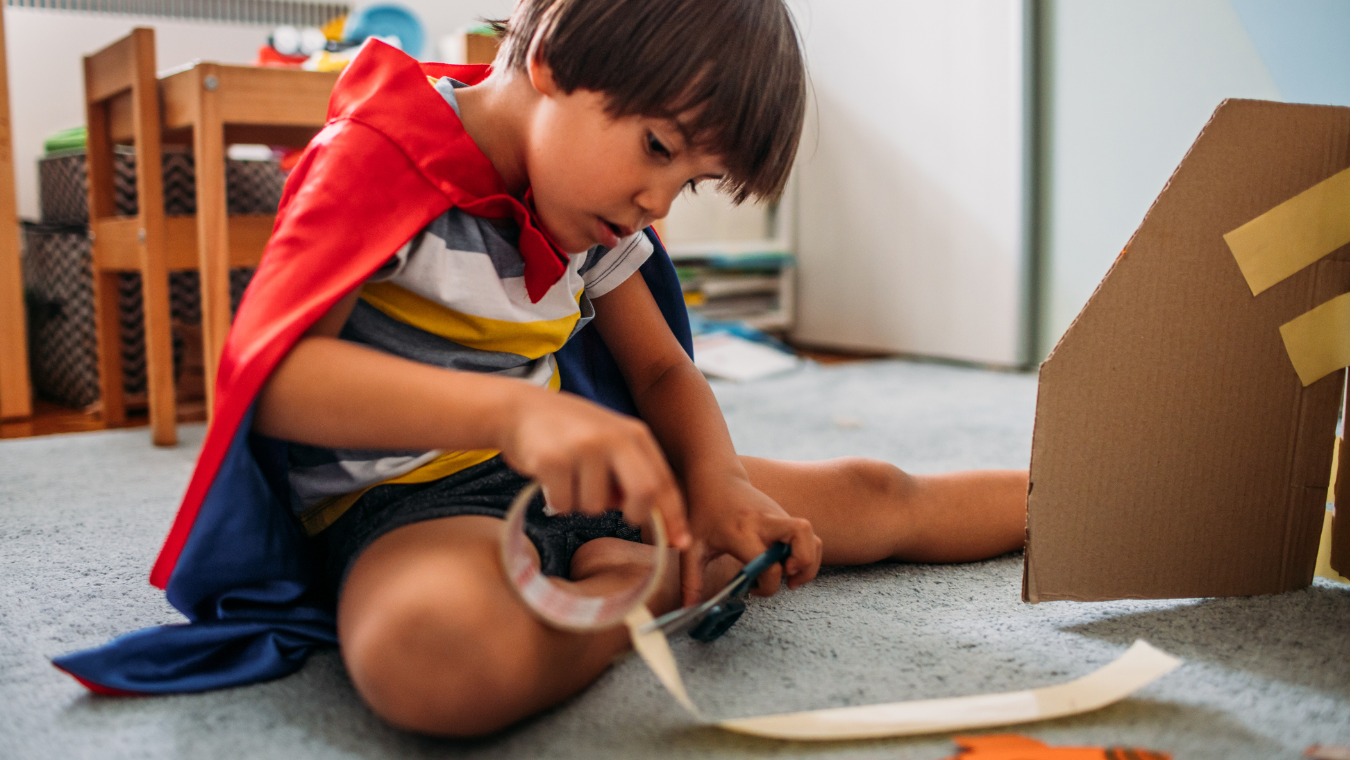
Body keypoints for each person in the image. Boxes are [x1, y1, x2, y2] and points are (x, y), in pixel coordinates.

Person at [58, 0, 1025, 737]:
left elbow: (659, 376)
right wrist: (513, 418)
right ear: (554, 56)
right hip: (407, 508)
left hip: (590, 472)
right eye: (658, 149)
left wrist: (717, 479)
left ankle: (1122, 503)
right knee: (428, 660)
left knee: (874, 489)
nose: (659, 203)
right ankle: (652, 586)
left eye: (687, 181)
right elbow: (276, 381)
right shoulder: (377, 158)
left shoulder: (596, 212)